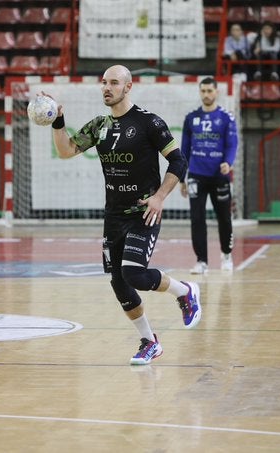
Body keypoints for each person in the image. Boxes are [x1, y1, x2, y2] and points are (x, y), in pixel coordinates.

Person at [47, 65, 201, 366]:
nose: (107, 87)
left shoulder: (149, 123)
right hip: (113, 216)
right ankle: (149, 342)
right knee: (119, 283)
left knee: (135, 274)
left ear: (128, 87)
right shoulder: (100, 125)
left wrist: (159, 197)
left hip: (143, 213)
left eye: (114, 83)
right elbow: (66, 150)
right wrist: (58, 121)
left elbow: (178, 161)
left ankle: (185, 292)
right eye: (104, 82)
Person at [180, 78, 237, 275]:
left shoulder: (226, 117)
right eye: (203, 91)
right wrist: (181, 178)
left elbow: (232, 144)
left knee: (224, 217)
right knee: (197, 218)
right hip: (196, 175)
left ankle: (227, 255)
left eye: (209, 91)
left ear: (216, 92)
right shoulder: (191, 118)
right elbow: (184, 149)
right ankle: (201, 261)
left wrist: (227, 163)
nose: (206, 94)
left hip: (219, 175)